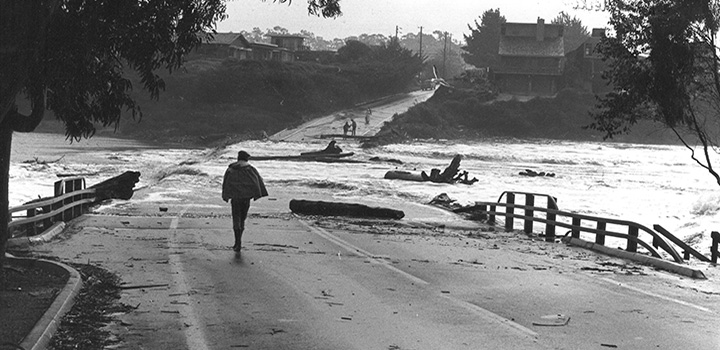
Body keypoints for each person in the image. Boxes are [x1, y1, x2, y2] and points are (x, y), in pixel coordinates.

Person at [222, 150, 268, 252]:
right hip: (246, 198)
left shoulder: (231, 169)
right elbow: (257, 182)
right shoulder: (250, 169)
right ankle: (239, 241)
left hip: (235, 198)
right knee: (242, 219)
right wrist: (257, 194)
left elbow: (225, 183)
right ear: (246, 158)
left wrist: (225, 195)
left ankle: (237, 241)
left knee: (236, 219)